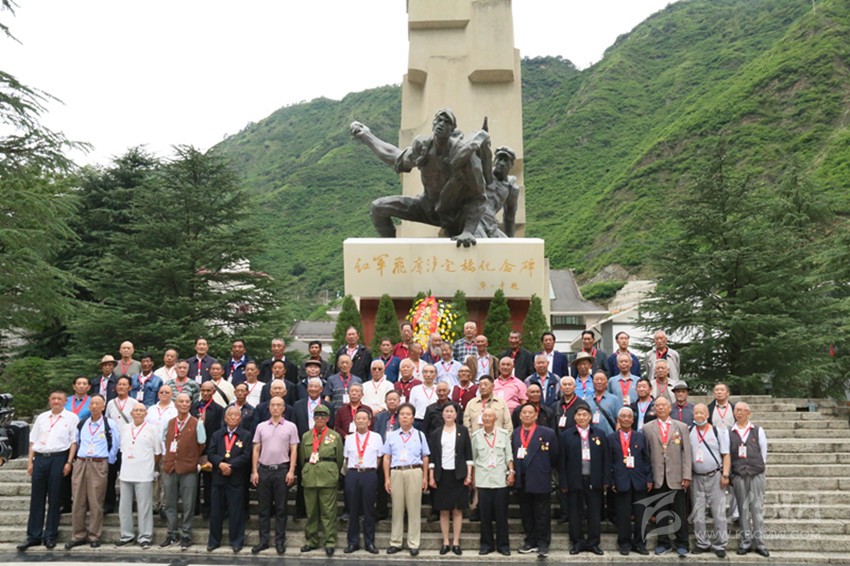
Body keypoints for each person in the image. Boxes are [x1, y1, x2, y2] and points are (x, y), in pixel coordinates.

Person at [351, 108, 488, 246]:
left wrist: (468, 231)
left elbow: (479, 197)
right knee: (378, 208)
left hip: (458, 215)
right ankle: (390, 250)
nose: (441, 124)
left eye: (446, 122)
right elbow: (393, 155)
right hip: (428, 207)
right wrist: (367, 136)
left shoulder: (464, 156)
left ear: (452, 129)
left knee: (479, 246)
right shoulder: (423, 148)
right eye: (439, 120)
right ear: (433, 124)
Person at [18, 390, 78, 552]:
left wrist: (69, 462)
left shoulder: (71, 418)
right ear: (49, 400)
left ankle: (50, 535)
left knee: (55, 497)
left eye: (59, 399)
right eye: (53, 399)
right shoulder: (42, 417)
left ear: (65, 401)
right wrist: (30, 462)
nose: (56, 401)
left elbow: (73, 442)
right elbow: (33, 441)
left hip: (59, 458)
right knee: (36, 498)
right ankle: (33, 535)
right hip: (40, 458)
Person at [65, 394, 120, 550]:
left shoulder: (109, 424)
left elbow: (116, 444)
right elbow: (76, 442)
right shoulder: (82, 423)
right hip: (81, 462)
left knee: (96, 501)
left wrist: (108, 461)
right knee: (78, 500)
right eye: (92, 404)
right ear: (89, 406)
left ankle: (94, 535)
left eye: (98, 404)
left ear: (103, 406)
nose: (95, 406)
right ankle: (78, 535)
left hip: (98, 463)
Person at [643, 396, 692, 557]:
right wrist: (648, 477)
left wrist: (686, 475)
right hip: (658, 477)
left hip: (676, 476)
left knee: (680, 512)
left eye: (664, 405)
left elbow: (686, 453)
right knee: (661, 512)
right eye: (658, 406)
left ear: (670, 408)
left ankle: (682, 543)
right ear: (654, 409)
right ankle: (663, 543)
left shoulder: (681, 427)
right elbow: (646, 455)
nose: (661, 408)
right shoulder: (647, 428)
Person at [251, 396, 299, 555]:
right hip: (264, 470)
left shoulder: (291, 426)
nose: (276, 408)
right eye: (273, 405)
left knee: (281, 508)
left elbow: (294, 450)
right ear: (269, 408)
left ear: (284, 408)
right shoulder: (261, 426)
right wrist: (254, 471)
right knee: (263, 509)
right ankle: (263, 541)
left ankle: (279, 541)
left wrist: (291, 471)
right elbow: (256, 449)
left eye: (279, 405)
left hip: (281, 470)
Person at [559, 404, 609, 556]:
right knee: (575, 513)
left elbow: (606, 459)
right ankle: (577, 542)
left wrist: (606, 480)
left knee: (594, 512)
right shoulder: (566, 435)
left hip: (594, 479)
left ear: (590, 417)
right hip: (574, 479)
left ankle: (593, 543)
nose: (582, 417)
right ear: (574, 417)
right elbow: (562, 461)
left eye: (585, 415)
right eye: (579, 415)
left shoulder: (599, 434)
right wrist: (563, 482)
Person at [160, 392, 207, 550]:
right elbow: (165, 441)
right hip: (170, 467)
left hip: (188, 468)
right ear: (175, 404)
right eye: (181, 401)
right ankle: (171, 533)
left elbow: (202, 444)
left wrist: (191, 458)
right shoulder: (169, 423)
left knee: (188, 504)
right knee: (170, 503)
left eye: (187, 402)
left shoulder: (197, 423)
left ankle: (186, 534)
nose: (184, 404)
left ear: (190, 404)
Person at [382, 403, 430, 556]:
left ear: (413, 418)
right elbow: (386, 457)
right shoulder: (392, 436)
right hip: (396, 472)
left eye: (408, 414)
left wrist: (425, 477)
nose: (405, 417)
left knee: (414, 509)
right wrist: (387, 478)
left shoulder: (420, 435)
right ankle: (395, 542)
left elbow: (425, 456)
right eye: (402, 414)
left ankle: (413, 543)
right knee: (397, 508)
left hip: (414, 471)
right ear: (398, 417)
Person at [512, 402, 558, 558]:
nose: (527, 415)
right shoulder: (515, 433)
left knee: (542, 513)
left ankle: (543, 543)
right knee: (526, 512)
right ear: (520, 416)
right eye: (524, 413)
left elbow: (554, 456)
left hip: (540, 477)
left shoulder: (547, 433)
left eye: (530, 412)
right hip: (522, 479)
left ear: (536, 415)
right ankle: (530, 541)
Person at [300, 404, 344, 557]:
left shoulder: (335, 436)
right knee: (311, 512)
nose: (319, 418)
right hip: (310, 477)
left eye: (323, 416)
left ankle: (329, 541)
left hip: (328, 477)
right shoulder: (306, 436)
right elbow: (302, 458)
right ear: (313, 418)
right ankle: (311, 540)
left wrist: (332, 471)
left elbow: (339, 458)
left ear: (328, 418)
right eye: (317, 416)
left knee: (328, 512)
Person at [207, 406, 253, 553]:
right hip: (218, 478)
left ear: (240, 418)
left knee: (236, 512)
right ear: (225, 418)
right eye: (230, 415)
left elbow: (246, 455)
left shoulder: (246, 435)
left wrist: (231, 466)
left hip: (236, 478)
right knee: (216, 512)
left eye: (236, 415)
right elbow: (210, 453)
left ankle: (237, 541)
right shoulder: (217, 434)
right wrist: (221, 464)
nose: (233, 417)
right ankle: (214, 541)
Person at [428, 404, 472, 555]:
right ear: (442, 414)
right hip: (442, 474)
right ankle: (446, 542)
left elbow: (468, 455)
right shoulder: (436, 433)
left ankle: (456, 542)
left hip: (458, 474)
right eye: (446, 411)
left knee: (457, 510)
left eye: (451, 411)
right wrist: (431, 476)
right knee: (444, 510)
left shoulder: (463, 431)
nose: (448, 414)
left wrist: (469, 475)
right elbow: (433, 457)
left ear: (456, 414)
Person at [608, 406, 652, 556]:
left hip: (639, 480)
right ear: (618, 420)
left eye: (629, 417)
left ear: (633, 420)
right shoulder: (611, 438)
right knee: (623, 515)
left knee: (641, 515)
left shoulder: (640, 437)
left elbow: (647, 460)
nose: (626, 419)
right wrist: (611, 481)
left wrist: (649, 478)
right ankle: (624, 543)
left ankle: (640, 544)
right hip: (620, 481)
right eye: (623, 417)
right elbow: (609, 461)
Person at [470, 407, 514, 556]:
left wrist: (511, 472)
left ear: (495, 419)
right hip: (483, 480)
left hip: (500, 480)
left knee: (501, 515)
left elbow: (509, 455)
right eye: (485, 416)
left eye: (490, 416)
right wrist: (473, 478)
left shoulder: (503, 434)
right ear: (482, 419)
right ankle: (486, 545)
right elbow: (473, 458)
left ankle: (503, 545)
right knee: (485, 516)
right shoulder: (476, 436)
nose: (487, 419)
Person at [116, 404, 160, 549]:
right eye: (136, 410)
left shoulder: (152, 429)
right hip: (126, 473)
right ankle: (126, 536)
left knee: (144, 507)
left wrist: (150, 467)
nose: (139, 413)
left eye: (141, 410)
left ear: (146, 413)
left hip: (144, 474)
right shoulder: (124, 428)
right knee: (124, 507)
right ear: (131, 413)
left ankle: (145, 537)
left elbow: (157, 453)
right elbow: (122, 449)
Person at [689, 403, 730, 558]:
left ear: (707, 415)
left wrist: (725, 475)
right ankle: (702, 543)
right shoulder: (689, 431)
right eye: (696, 413)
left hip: (715, 476)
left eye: (702, 413)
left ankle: (720, 544)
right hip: (696, 477)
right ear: (693, 415)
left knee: (718, 511)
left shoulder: (717, 432)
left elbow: (726, 454)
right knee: (698, 512)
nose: (699, 415)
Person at [729, 402, 769, 557]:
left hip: (756, 473)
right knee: (743, 509)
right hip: (739, 474)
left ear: (748, 413)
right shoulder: (730, 432)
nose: (739, 413)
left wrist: (757, 468)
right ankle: (745, 542)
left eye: (742, 410)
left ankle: (760, 543)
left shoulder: (757, 430)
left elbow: (763, 453)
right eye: (736, 410)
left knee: (756, 508)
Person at [343, 407, 384, 554]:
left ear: (369, 421)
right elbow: (346, 458)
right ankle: (352, 542)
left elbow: (379, 458)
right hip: (353, 474)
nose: (361, 421)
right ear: (354, 421)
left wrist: (370, 469)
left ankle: (369, 542)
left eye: (364, 418)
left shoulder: (376, 437)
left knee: (369, 509)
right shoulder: (349, 439)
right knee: (353, 509)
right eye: (358, 418)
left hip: (369, 474)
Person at [192, 381, 225, 519]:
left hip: (209, 450)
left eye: (208, 391)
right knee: (193, 481)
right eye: (203, 390)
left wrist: (214, 452)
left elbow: (219, 432)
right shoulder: (193, 407)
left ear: (214, 392)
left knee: (208, 481)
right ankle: (194, 508)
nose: (205, 393)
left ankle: (208, 508)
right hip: (193, 450)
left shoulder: (219, 410)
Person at [146, 385, 176, 517]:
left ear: (171, 394)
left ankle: (164, 504)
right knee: (152, 477)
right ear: (158, 394)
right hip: (151, 450)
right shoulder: (151, 410)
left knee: (166, 479)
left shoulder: (175, 410)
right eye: (161, 392)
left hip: (167, 450)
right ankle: (154, 503)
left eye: (167, 392)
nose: (164, 394)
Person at [477, 145, 520, 238]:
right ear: (494, 161)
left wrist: (510, 241)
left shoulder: (511, 187)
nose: (501, 163)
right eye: (499, 159)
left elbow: (509, 216)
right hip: (475, 220)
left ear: (512, 165)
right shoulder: (483, 175)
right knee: (482, 241)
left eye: (506, 161)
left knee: (507, 246)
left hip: (491, 224)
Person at [372, 390, 402, 521]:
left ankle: (400, 512)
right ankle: (381, 510)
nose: (392, 401)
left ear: (399, 401)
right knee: (381, 484)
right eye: (389, 399)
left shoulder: (403, 415)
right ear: (385, 401)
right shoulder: (380, 417)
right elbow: (376, 434)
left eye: (394, 399)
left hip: (399, 455)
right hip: (383, 454)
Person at [585, 371, 620, 435]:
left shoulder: (614, 399)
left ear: (607, 383)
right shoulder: (587, 400)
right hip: (591, 435)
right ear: (593, 382)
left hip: (609, 435)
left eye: (602, 379)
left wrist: (616, 435)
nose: (599, 382)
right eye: (596, 379)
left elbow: (619, 420)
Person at [409, 364, 438, 428]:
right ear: (422, 374)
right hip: (419, 421)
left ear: (436, 374)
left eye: (431, 372)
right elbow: (411, 407)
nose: (428, 375)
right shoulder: (415, 389)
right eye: (426, 372)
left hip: (435, 421)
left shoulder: (438, 389)